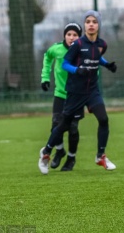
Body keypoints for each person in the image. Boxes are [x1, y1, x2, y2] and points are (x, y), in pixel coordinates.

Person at [38, 10, 117, 175]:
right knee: (63, 124)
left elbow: (96, 57)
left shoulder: (102, 44)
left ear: (98, 25)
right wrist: (77, 70)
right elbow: (65, 64)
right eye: (88, 21)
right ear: (85, 25)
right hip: (75, 92)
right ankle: (47, 151)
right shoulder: (78, 45)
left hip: (92, 91)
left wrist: (107, 64)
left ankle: (100, 156)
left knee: (103, 119)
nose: (91, 24)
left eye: (94, 21)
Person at [40, 22, 83, 171]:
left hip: (77, 96)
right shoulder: (56, 49)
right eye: (69, 34)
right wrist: (45, 78)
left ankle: (71, 158)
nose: (71, 37)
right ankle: (60, 150)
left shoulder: (83, 51)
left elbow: (93, 71)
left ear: (79, 37)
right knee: (56, 125)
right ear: (64, 35)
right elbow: (47, 58)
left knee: (72, 128)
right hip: (60, 94)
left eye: (75, 35)